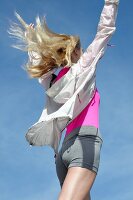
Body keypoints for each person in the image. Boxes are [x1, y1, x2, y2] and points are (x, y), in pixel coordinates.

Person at [9, 0, 119, 199]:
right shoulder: (84, 67)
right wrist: (111, 3)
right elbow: (103, 32)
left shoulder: (55, 82)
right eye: (82, 49)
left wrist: (32, 46)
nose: (85, 51)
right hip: (83, 143)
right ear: (75, 51)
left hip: (63, 153)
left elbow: (41, 76)